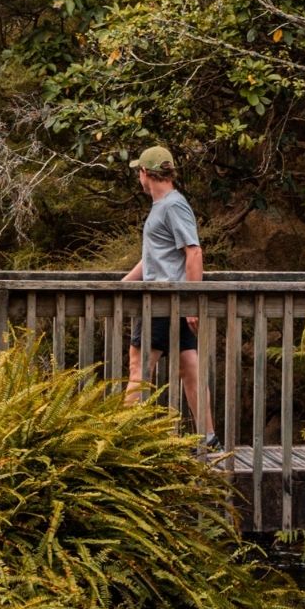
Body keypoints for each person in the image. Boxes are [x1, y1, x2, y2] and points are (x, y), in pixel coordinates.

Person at [122, 144, 202, 429]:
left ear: (145, 173)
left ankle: (122, 440)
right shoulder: (164, 206)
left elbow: (193, 252)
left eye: (138, 173)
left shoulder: (172, 205)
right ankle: (209, 438)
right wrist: (121, 286)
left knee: (138, 369)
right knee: (189, 369)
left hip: (161, 302)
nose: (138, 178)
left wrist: (193, 302)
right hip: (171, 301)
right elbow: (153, 259)